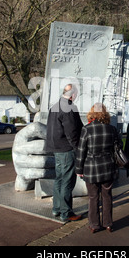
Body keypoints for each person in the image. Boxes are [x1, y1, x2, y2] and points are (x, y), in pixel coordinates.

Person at [76, 103, 121, 233]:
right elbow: (118, 147)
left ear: (92, 113)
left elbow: (81, 151)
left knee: (93, 197)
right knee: (107, 196)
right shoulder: (111, 129)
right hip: (108, 167)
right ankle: (108, 223)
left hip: (91, 169)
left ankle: (95, 225)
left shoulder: (87, 129)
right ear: (105, 113)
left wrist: (79, 170)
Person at [46, 84, 83, 222]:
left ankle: (57, 208)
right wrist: (78, 149)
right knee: (67, 181)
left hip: (56, 148)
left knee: (59, 179)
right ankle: (66, 212)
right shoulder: (69, 107)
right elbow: (72, 132)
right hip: (67, 149)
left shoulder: (55, 105)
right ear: (72, 94)